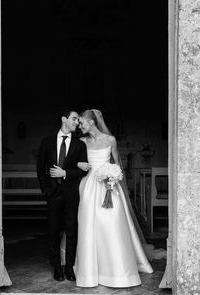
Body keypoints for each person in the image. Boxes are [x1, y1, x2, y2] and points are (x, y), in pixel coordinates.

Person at [74, 109, 153, 288]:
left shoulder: (110, 140)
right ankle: (90, 270)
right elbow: (73, 162)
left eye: (82, 122)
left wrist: (113, 176)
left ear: (92, 122)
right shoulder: (81, 142)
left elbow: (117, 164)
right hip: (88, 187)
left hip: (108, 186)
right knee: (88, 225)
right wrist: (78, 164)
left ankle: (117, 270)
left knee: (112, 222)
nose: (80, 125)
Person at [36, 109, 88, 282]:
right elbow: (40, 168)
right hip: (53, 194)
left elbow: (82, 171)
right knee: (53, 231)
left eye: (78, 120)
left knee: (72, 231)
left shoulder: (80, 145)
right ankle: (57, 267)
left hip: (72, 193)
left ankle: (69, 268)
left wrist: (65, 173)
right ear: (64, 119)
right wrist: (46, 190)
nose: (77, 122)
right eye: (74, 119)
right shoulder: (47, 142)